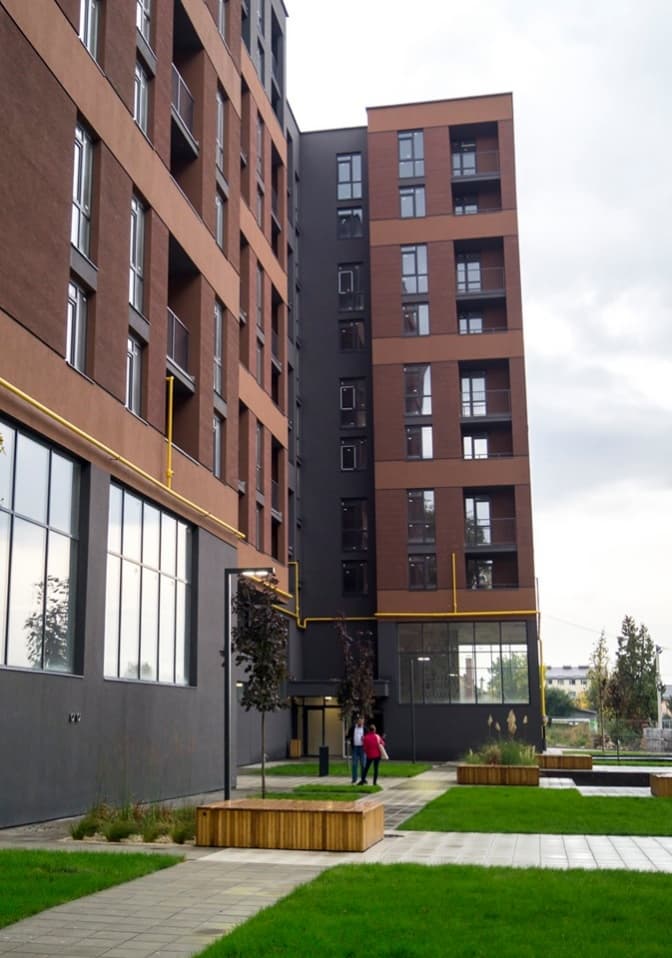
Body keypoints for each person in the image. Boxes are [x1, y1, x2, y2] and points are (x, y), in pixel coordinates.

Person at [350, 717, 365, 784]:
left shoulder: (365, 729)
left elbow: (368, 737)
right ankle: (354, 778)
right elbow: (348, 735)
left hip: (362, 748)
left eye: (362, 722)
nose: (361, 723)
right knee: (354, 764)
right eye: (360, 721)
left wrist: (364, 739)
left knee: (363, 764)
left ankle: (363, 779)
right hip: (355, 748)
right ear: (357, 721)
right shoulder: (353, 728)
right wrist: (348, 739)